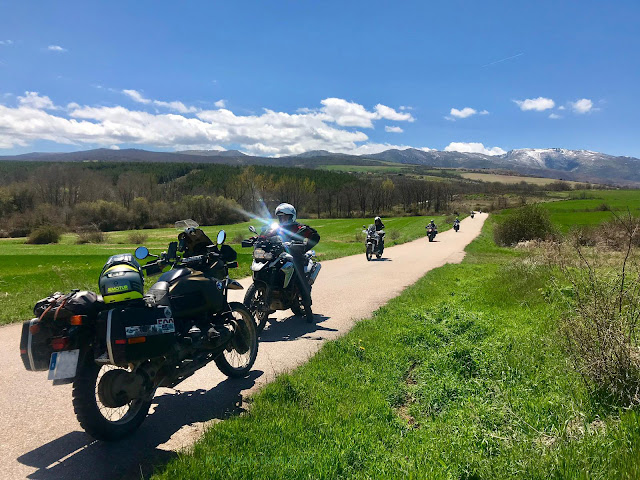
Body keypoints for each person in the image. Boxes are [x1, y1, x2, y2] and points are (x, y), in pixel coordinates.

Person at [273, 203, 320, 321]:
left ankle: (308, 309)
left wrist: (303, 247)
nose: (282, 219)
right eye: (280, 217)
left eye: (285, 217)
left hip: (294, 256)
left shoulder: (298, 228)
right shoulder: (276, 228)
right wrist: (254, 240)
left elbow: (315, 236)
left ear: (291, 216)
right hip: (278, 256)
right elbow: (264, 236)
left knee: (300, 278)